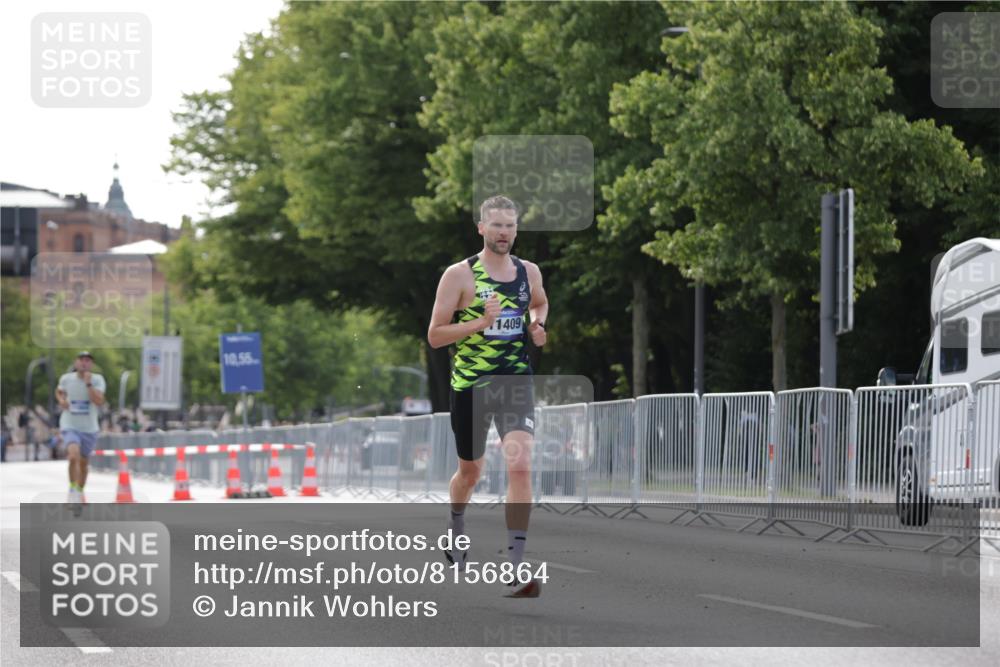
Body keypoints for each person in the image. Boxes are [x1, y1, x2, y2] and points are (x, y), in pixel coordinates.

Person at [427, 195, 548, 598]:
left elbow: (540, 303)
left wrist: (536, 325)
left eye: (511, 226)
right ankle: (456, 528)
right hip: (471, 387)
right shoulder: (459, 276)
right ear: (481, 228)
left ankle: (515, 567)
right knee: (471, 473)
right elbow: (435, 335)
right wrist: (481, 322)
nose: (504, 233)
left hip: (515, 381)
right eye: (496, 225)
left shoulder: (528, 271)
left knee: (520, 466)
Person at [55, 351, 106, 504]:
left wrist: (88, 384)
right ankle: (72, 489)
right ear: (76, 363)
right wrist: (62, 400)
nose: (84, 363)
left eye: (88, 361)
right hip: (70, 424)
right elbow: (59, 391)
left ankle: (79, 492)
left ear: (91, 364)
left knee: (83, 464)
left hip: (89, 428)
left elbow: (98, 401)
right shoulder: (66, 379)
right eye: (81, 360)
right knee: (73, 456)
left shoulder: (97, 380)